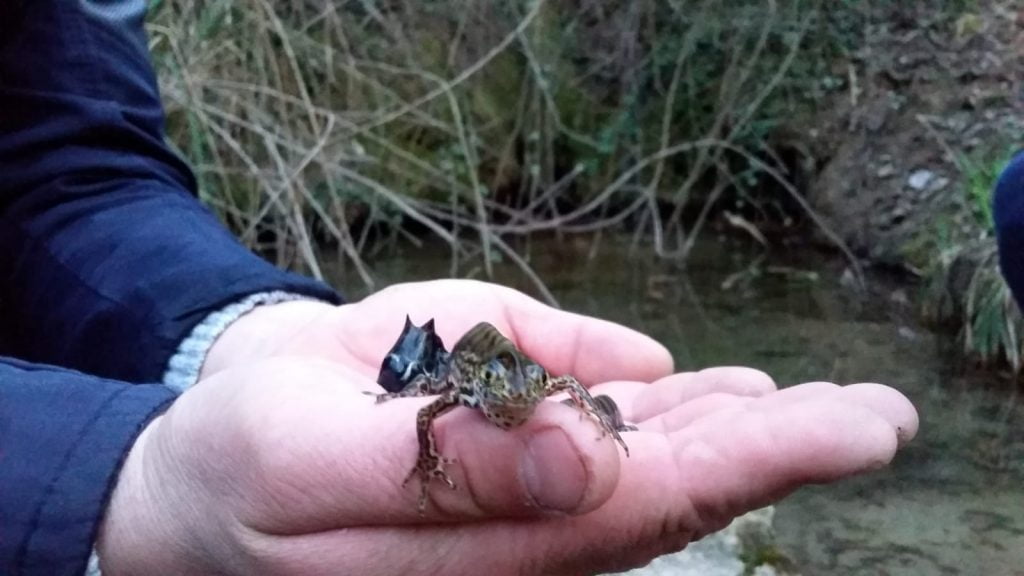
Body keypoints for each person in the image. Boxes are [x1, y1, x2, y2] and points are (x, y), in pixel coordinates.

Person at [0, 1, 918, 575]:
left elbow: (67, 162)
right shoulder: (460, 395)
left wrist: (237, 333)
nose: (507, 403)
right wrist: (111, 486)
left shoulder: (522, 387)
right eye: (495, 393)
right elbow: (435, 415)